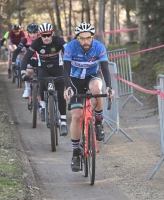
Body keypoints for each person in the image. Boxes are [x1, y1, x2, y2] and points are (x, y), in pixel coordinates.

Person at [63, 22, 115, 172]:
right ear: (77, 38)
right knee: (76, 116)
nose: (85, 42)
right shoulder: (71, 47)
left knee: (97, 89)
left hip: (93, 76)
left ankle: (98, 122)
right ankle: (75, 153)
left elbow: (105, 68)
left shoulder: (99, 47)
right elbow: (65, 70)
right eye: (82, 38)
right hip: (75, 81)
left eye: (88, 38)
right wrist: (68, 87)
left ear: (92, 37)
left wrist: (109, 87)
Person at [21, 22, 68, 136]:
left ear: (52, 34)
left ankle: (63, 122)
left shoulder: (59, 41)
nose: (46, 38)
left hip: (57, 68)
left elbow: (69, 53)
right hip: (44, 69)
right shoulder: (36, 43)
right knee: (41, 83)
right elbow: (26, 57)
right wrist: (23, 72)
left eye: (48, 35)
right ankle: (42, 106)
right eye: (43, 35)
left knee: (61, 93)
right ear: (39, 35)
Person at [12, 23, 40, 98]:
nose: (33, 35)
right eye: (30, 33)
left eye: (34, 32)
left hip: (41, 59)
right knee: (29, 71)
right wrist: (13, 62)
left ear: (38, 32)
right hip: (30, 59)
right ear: (28, 33)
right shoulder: (25, 39)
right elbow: (17, 50)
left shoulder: (41, 38)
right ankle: (27, 89)